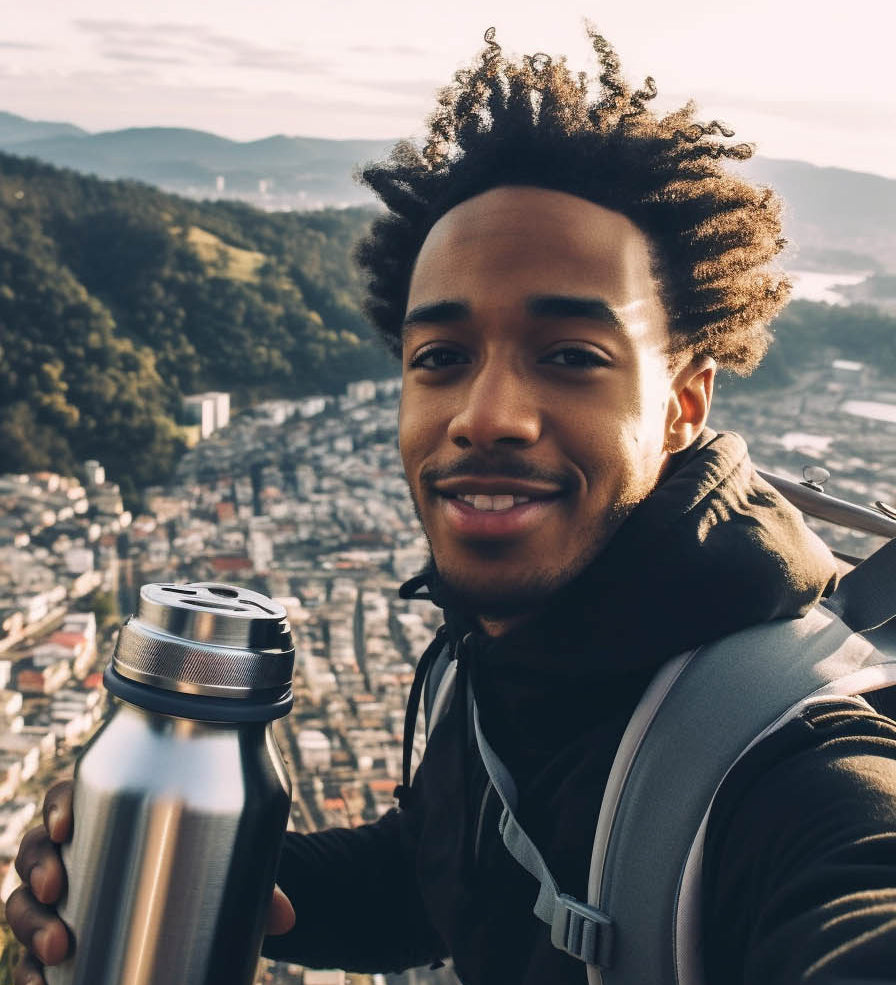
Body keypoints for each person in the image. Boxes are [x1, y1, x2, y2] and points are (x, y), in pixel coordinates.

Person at [8, 28, 896, 985]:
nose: (487, 416)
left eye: (570, 355)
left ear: (684, 404)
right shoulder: (528, 650)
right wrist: (174, 860)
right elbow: (433, 884)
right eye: (440, 357)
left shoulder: (805, 765)